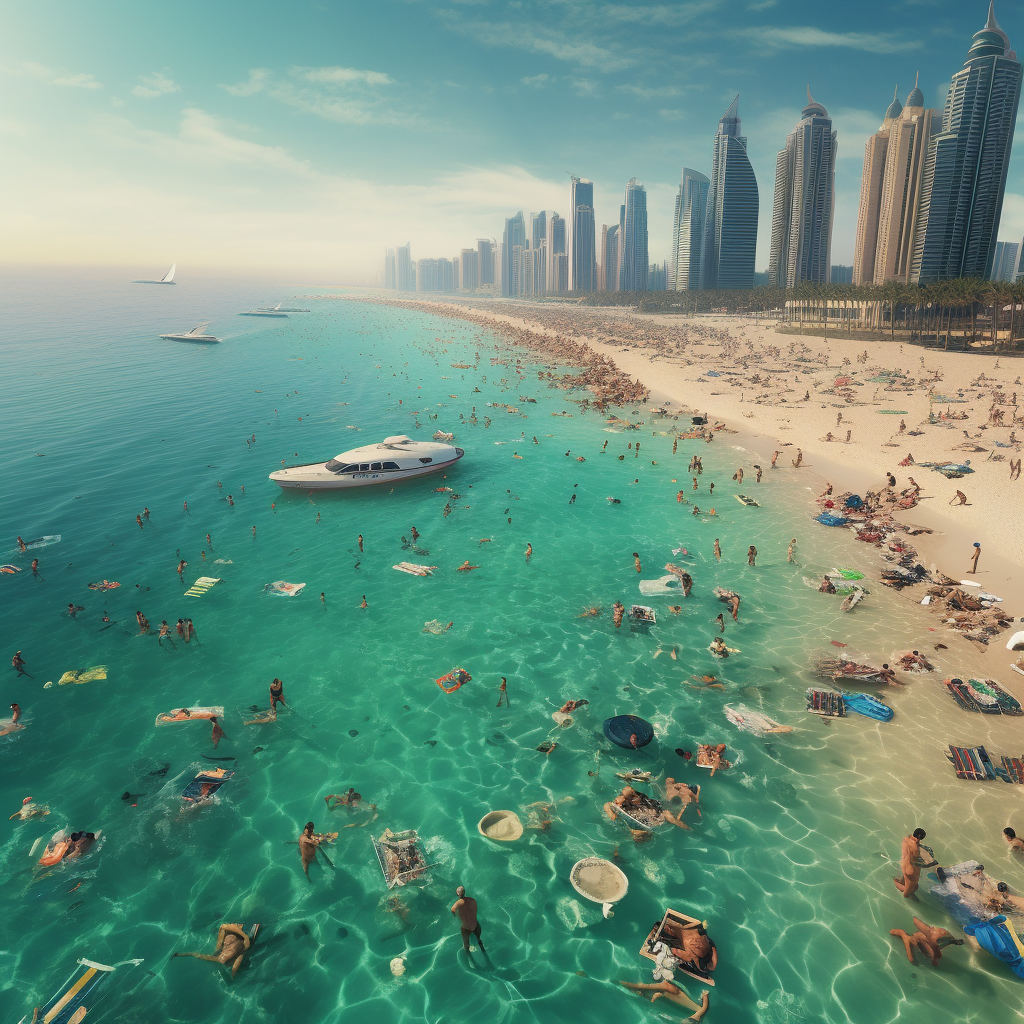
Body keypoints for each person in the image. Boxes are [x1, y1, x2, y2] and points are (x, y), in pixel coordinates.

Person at [173, 923, 253, 977]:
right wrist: (183, 954)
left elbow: (197, 955)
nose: (223, 954)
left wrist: (244, 935)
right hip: (236, 937)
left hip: (234, 934)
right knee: (219, 947)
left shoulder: (241, 946)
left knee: (218, 946)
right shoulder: (241, 950)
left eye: (223, 953)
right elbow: (198, 955)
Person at [617, 980, 709, 1021]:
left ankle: (640, 988)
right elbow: (704, 1008)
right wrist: (705, 995)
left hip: (680, 1000)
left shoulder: (690, 1019)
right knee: (667, 988)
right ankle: (641, 989)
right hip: (687, 1003)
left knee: (667, 988)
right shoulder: (694, 1018)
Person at [889, 917, 961, 966]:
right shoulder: (922, 939)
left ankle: (950, 941)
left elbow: (935, 947)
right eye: (934, 930)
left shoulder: (937, 937)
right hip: (916, 940)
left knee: (942, 938)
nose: (934, 929)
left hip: (926, 942)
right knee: (911, 959)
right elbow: (911, 959)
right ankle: (904, 936)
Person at [894, 827, 936, 899]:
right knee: (910, 890)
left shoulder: (905, 839)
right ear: (920, 838)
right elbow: (915, 860)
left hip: (903, 864)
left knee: (905, 879)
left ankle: (899, 881)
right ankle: (903, 891)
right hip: (911, 870)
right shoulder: (915, 847)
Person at [451, 885, 484, 953]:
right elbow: (475, 910)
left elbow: (452, 911)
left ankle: (468, 954)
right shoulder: (472, 900)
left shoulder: (457, 904)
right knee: (478, 939)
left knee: (466, 943)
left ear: (457, 893)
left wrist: (457, 916)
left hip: (466, 927)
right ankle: (482, 949)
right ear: (465, 892)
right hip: (475, 924)